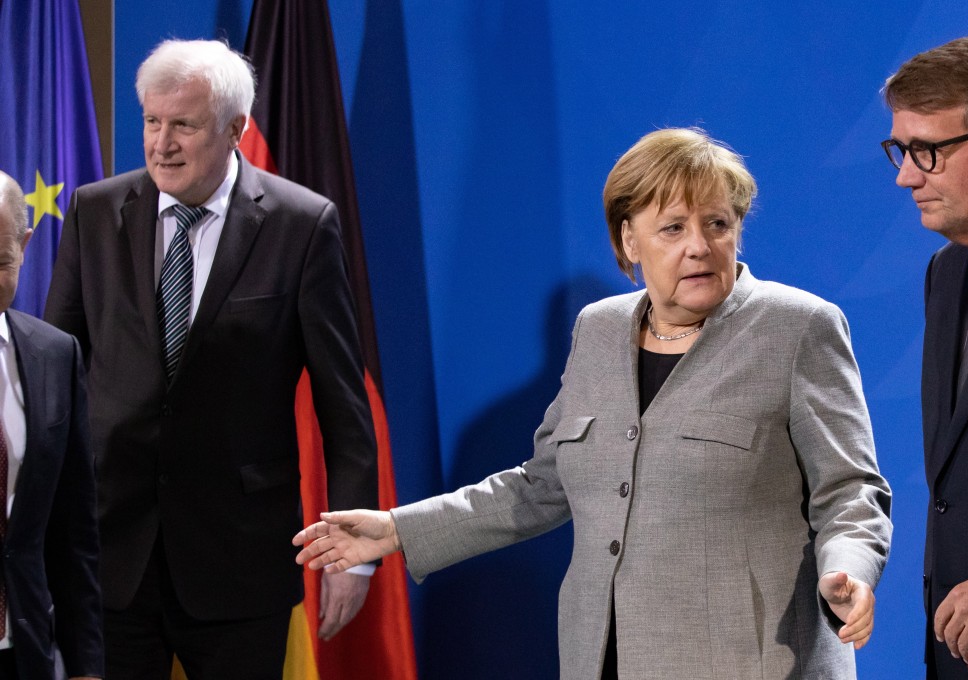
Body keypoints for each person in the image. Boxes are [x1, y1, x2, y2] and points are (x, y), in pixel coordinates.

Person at [295, 128, 893, 679]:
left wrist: (850, 572)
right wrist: (398, 529)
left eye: (717, 223)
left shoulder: (798, 327)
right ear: (628, 239)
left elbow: (850, 489)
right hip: (603, 657)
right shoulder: (600, 330)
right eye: (673, 228)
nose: (699, 247)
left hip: (754, 660)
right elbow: (544, 485)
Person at [44, 39, 378, 679]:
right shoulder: (94, 212)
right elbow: (56, 377)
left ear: (235, 129)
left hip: (239, 561)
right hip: (112, 553)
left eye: (184, 125)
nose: (161, 143)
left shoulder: (301, 225)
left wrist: (352, 554)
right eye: (151, 121)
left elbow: (344, 406)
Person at [881, 26, 968, 679]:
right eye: (900, 151)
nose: (907, 176)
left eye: (927, 151)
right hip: (966, 653)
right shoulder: (947, 275)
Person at [0, 172, 102, 679]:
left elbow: (73, 531)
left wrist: (85, 666)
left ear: (24, 245)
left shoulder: (56, 356)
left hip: (24, 654)